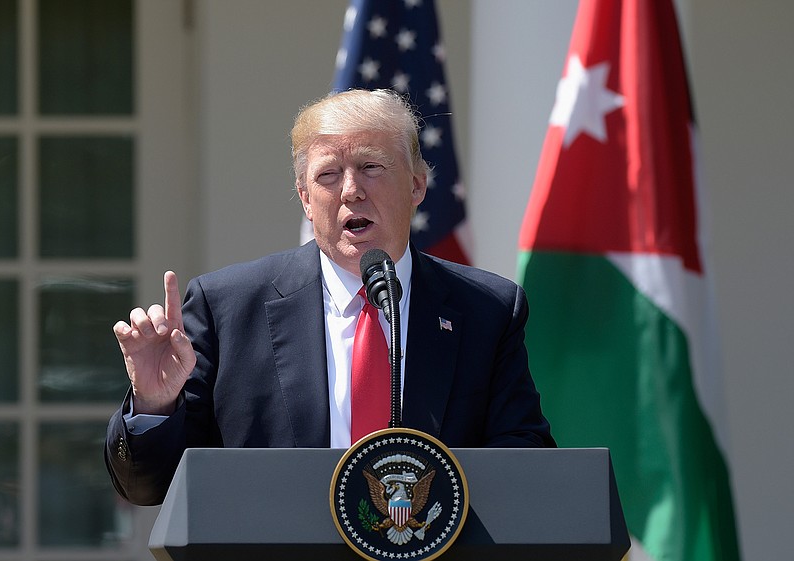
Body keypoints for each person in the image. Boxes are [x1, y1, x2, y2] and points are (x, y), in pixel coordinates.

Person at [105, 89, 555, 506]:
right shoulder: (227, 308)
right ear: (305, 198)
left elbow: (525, 469)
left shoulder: (487, 310)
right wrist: (155, 405)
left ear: (417, 185)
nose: (351, 191)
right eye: (328, 175)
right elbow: (147, 486)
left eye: (372, 167)